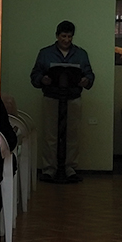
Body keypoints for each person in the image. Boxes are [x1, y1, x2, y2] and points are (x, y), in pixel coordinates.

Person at [29, 20, 95, 182]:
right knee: (50, 135)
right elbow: (34, 75)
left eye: (70, 37)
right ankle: (49, 169)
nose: (66, 40)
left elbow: (90, 75)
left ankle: (70, 168)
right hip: (52, 97)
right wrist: (42, 79)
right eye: (63, 36)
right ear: (57, 36)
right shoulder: (45, 53)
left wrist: (86, 80)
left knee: (72, 135)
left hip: (73, 98)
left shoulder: (81, 54)